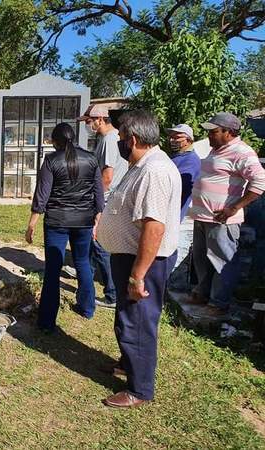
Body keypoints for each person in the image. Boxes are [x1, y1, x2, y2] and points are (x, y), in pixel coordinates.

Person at [96, 110, 181, 408]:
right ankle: (127, 364)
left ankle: (139, 388)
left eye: (121, 139)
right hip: (130, 258)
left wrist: (138, 274)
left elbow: (154, 227)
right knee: (127, 317)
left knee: (138, 323)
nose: (119, 143)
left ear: (132, 139)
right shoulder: (142, 164)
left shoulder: (154, 171)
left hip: (143, 263)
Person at [26, 122, 104, 330]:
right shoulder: (91, 158)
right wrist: (97, 217)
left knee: (53, 269)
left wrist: (32, 223)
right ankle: (87, 308)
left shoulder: (52, 160)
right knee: (83, 263)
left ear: (55, 141)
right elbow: (98, 192)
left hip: (57, 222)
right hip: (83, 221)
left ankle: (47, 321)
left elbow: (42, 194)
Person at [188, 112, 265, 316]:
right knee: (202, 259)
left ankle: (218, 303)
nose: (209, 136)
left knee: (223, 260)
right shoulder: (217, 149)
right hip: (203, 216)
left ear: (229, 132)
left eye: (213, 132)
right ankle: (202, 293)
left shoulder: (242, 152)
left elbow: (260, 183)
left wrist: (234, 207)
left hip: (222, 219)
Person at [78, 105, 128, 309]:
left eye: (89, 121)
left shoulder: (109, 139)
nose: (88, 125)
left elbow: (107, 176)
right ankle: (86, 272)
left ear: (100, 119)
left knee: (99, 244)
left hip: (106, 198)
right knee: (92, 241)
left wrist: (94, 199)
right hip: (109, 197)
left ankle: (112, 293)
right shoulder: (112, 137)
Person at [165, 124, 202, 273]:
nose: (172, 139)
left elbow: (181, 187)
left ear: (188, 140)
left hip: (174, 214)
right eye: (171, 136)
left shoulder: (191, 160)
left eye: (177, 136)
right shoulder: (176, 157)